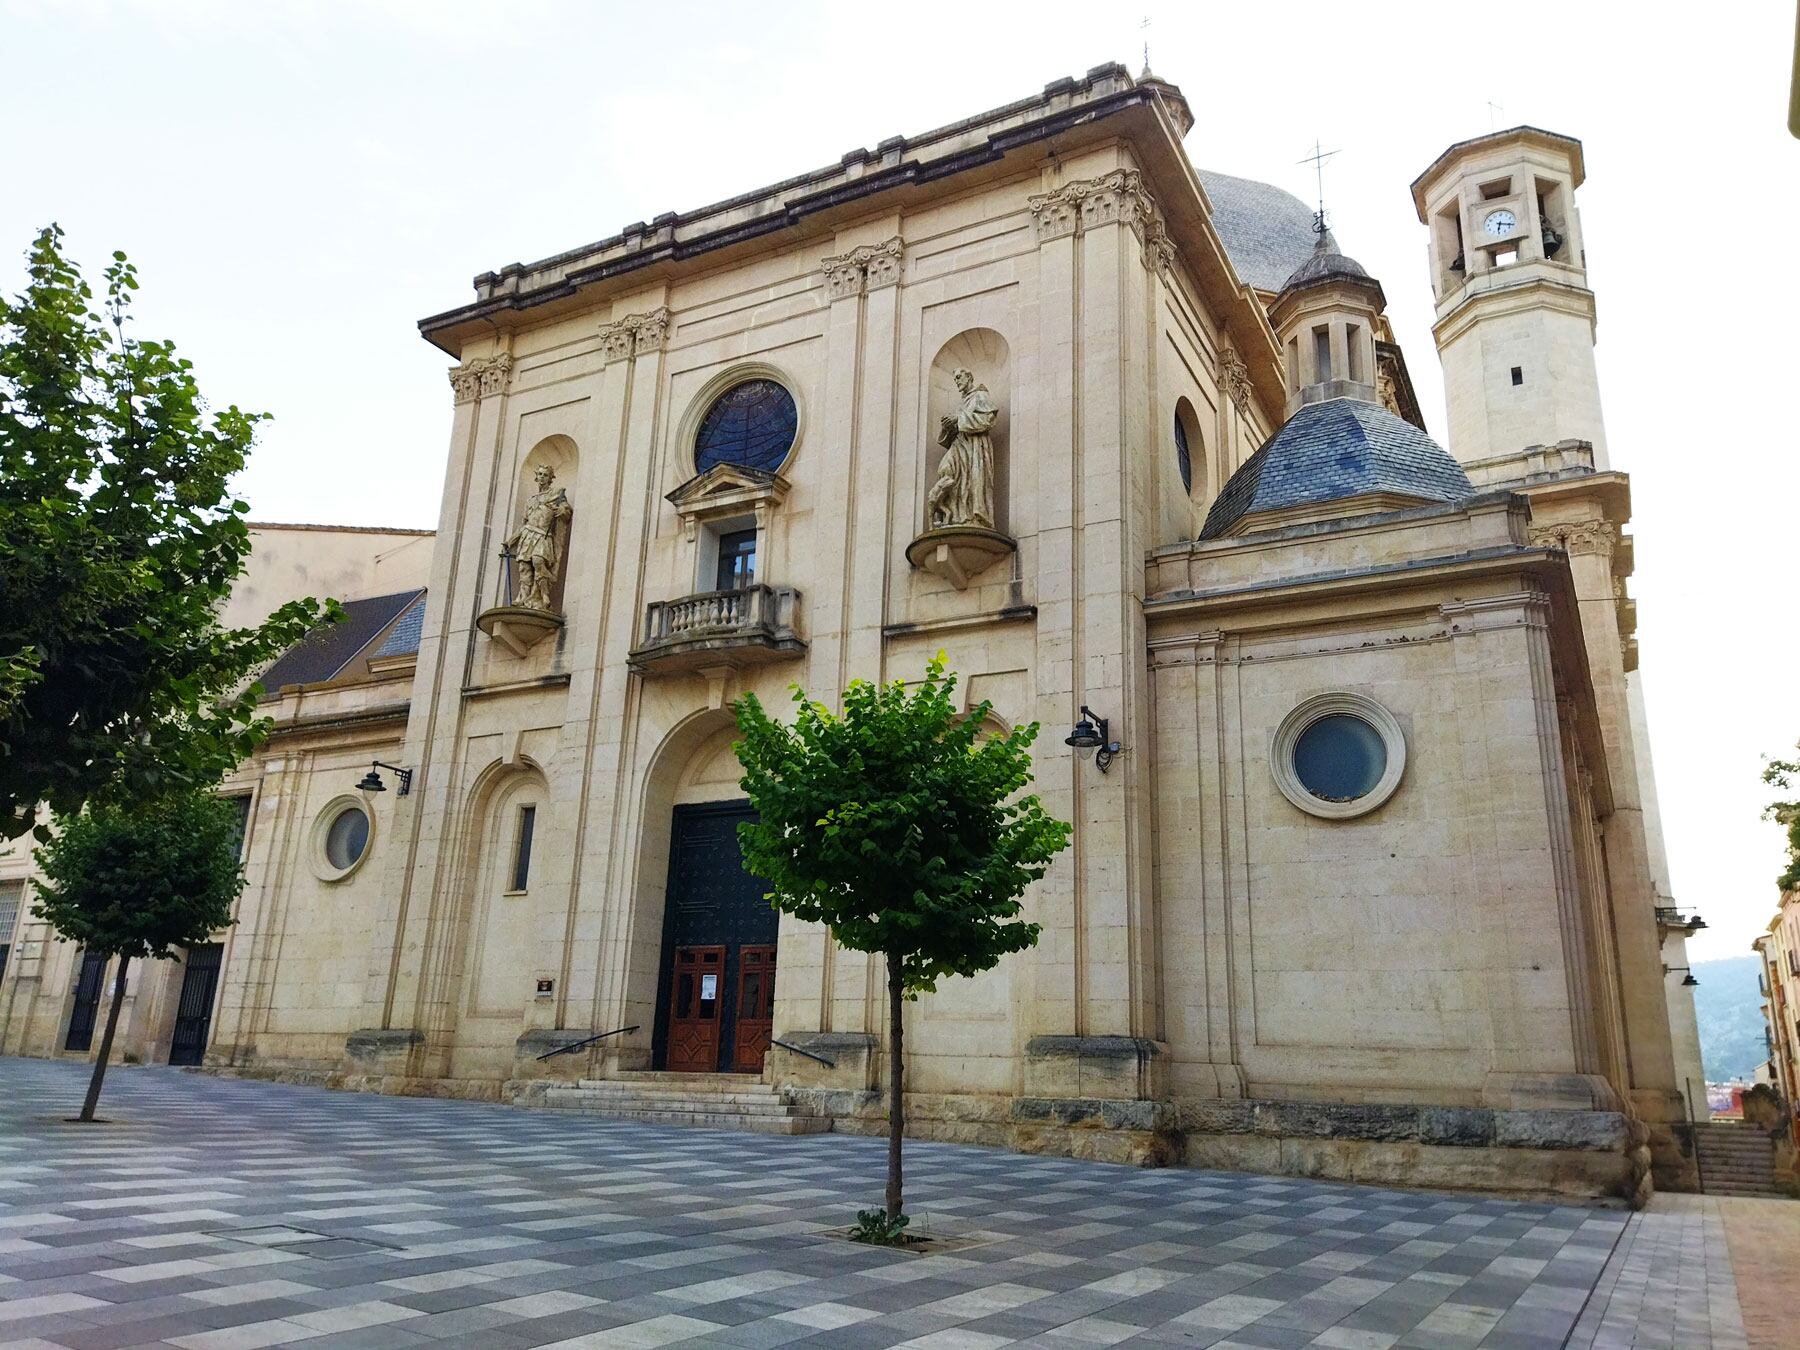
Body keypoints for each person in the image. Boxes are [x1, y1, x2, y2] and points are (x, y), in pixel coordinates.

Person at [927, 367, 999, 529]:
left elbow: (988, 420)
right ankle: (953, 515)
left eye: (959, 377)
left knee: (973, 480)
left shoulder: (980, 395)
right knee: (947, 471)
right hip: (960, 446)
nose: (957, 381)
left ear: (969, 377)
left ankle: (972, 517)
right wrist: (948, 426)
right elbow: (949, 436)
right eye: (955, 379)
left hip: (975, 447)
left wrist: (958, 419)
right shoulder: (963, 402)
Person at [505, 464, 571, 611]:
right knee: (524, 567)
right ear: (536, 477)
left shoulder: (556, 494)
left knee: (538, 561)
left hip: (543, 535)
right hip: (527, 536)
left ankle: (543, 595)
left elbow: (566, 509)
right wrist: (511, 540)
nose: (542, 477)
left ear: (550, 478)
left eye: (545, 475)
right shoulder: (531, 500)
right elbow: (524, 524)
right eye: (540, 474)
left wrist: (562, 510)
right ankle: (523, 598)